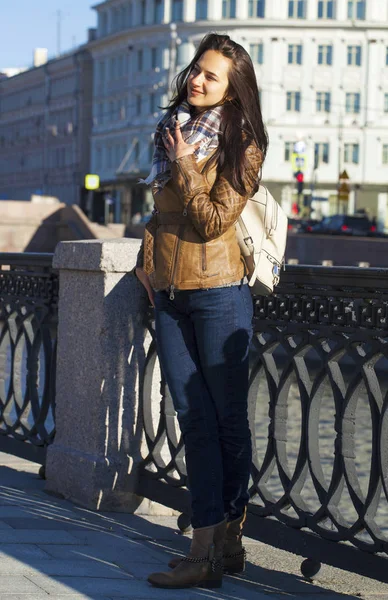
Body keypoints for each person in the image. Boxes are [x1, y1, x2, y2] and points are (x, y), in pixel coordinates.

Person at [135, 33, 268, 589]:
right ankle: (213, 546)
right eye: (196, 70)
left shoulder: (244, 144)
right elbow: (163, 216)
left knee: (227, 422)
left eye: (211, 77)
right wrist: (147, 265)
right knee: (193, 418)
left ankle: (217, 549)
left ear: (233, 91)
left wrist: (187, 164)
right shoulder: (174, 133)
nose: (197, 80)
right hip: (169, 294)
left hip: (218, 293)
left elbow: (214, 220)